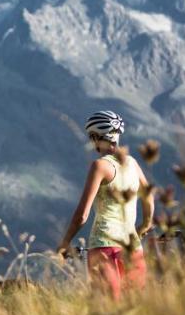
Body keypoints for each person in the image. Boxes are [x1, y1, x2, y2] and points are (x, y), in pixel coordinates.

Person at [57, 110, 155, 301]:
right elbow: (149, 197)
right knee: (134, 309)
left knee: (107, 310)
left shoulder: (100, 166)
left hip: (104, 247)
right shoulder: (133, 164)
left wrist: (64, 244)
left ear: (95, 136)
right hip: (133, 248)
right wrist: (144, 226)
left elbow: (81, 216)